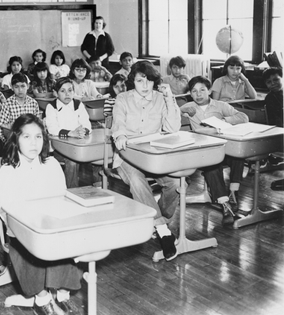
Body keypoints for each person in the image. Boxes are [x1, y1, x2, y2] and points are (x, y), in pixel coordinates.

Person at [0, 114, 82, 315]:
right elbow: (6, 210)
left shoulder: (51, 164)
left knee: (65, 242)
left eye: (38, 137)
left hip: (50, 224)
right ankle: (42, 297)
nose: (33, 143)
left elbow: (61, 198)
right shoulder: (8, 170)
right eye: (26, 137)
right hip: (21, 229)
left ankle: (62, 294)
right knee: (29, 247)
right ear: (16, 139)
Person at [112, 60, 181, 261]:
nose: (145, 86)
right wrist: (121, 136)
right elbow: (118, 124)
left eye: (149, 81)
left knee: (175, 183)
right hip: (128, 155)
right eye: (141, 80)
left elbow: (172, 128)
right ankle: (162, 229)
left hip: (153, 154)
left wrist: (169, 98)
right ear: (133, 80)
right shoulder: (123, 98)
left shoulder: (161, 98)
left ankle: (159, 219)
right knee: (136, 181)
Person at [180, 76, 249, 222]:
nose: (198, 95)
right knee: (211, 166)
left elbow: (243, 117)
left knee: (238, 155)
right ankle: (225, 204)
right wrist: (183, 110)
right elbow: (174, 112)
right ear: (190, 94)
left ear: (210, 90)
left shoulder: (220, 105)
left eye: (202, 90)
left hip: (222, 148)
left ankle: (233, 194)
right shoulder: (189, 107)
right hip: (203, 152)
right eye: (194, 91)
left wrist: (224, 121)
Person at [45, 77, 91, 189]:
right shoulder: (51, 107)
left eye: (70, 90)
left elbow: (86, 123)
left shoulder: (78, 104)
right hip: (59, 148)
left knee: (97, 157)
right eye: (62, 91)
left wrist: (82, 130)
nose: (67, 94)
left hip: (79, 145)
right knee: (72, 161)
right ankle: (72, 190)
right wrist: (71, 133)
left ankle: (98, 188)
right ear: (55, 93)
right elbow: (52, 129)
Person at [0, 73, 39, 142]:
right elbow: (2, 127)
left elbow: (36, 124)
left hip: (30, 139)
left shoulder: (33, 103)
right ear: (12, 87)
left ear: (28, 86)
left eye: (23, 86)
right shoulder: (7, 104)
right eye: (16, 87)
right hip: (12, 140)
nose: (20, 90)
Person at [263, 68, 284, 189]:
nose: (273, 83)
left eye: (276, 79)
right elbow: (275, 122)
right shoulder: (270, 98)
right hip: (279, 133)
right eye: (269, 82)